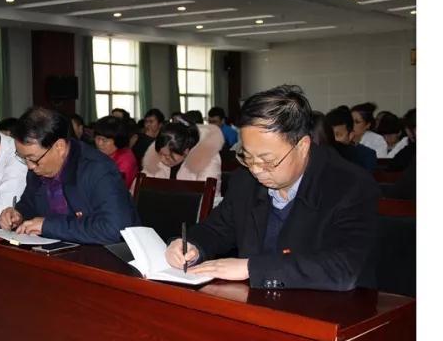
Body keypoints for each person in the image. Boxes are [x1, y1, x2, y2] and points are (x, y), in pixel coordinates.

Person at [164, 85, 380, 291]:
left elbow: (344, 267)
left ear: (302, 146)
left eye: (267, 160)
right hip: (258, 304)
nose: (256, 169)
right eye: (247, 156)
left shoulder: (350, 185)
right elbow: (216, 229)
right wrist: (191, 246)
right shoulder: (245, 180)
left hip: (331, 308)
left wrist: (251, 268)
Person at [0, 107, 139, 245]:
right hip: (58, 250)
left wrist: (49, 226)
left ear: (59, 147)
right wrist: (18, 214)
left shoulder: (98, 169)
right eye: (23, 158)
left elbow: (115, 228)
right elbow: (30, 203)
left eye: (32, 158)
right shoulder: (38, 167)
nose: (29, 166)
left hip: (106, 253)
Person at [140, 119, 224, 195]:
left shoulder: (207, 160)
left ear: (185, 151)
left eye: (168, 156)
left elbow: (206, 198)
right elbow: (139, 188)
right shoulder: (161, 151)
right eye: (160, 154)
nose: (162, 159)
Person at [323, 107, 376, 172]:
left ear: (351, 135)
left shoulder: (366, 155)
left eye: (338, 135)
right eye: (329, 135)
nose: (334, 139)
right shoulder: (321, 152)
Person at [93, 116, 139, 189]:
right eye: (97, 138)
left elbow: (114, 189)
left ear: (118, 140)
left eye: (104, 140)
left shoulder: (126, 160)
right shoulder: (99, 154)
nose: (99, 143)